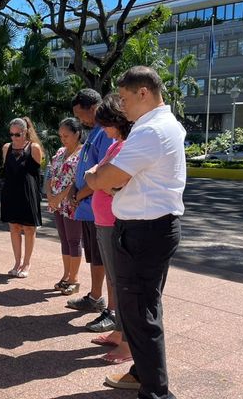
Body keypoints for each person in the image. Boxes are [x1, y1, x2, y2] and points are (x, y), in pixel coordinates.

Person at [85, 66, 185, 399]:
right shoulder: (160, 126)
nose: (122, 107)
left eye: (125, 98)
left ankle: (156, 392)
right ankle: (142, 374)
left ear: (143, 92)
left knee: (140, 313)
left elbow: (104, 179)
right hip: (153, 229)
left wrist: (96, 176)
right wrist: (105, 176)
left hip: (144, 232)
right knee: (141, 308)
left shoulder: (150, 131)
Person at [66, 89, 115, 333]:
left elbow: (104, 171)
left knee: (107, 260)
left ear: (93, 107)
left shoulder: (106, 132)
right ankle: (95, 297)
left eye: (80, 114)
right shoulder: (94, 132)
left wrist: (80, 193)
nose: (80, 119)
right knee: (95, 257)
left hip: (100, 209)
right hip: (88, 209)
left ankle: (112, 310)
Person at [90, 94, 133, 364]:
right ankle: (119, 331)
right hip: (103, 219)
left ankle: (128, 341)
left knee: (122, 282)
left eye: (106, 124)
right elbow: (97, 173)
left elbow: (108, 181)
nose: (103, 130)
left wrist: (97, 178)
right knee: (114, 280)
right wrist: (96, 176)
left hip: (113, 220)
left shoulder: (125, 146)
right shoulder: (114, 144)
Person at [0, 117, 43, 278]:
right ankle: (17, 262)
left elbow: (36, 175)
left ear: (25, 132)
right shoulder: (6, 148)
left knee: (29, 229)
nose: (14, 138)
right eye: (11, 134)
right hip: (11, 192)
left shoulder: (34, 148)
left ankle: (27, 263)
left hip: (28, 193)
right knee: (14, 228)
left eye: (17, 134)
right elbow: (7, 171)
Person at [45, 118, 84, 295]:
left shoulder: (83, 153)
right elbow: (50, 173)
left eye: (66, 135)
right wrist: (50, 196)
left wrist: (60, 196)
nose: (63, 139)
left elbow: (78, 179)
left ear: (77, 134)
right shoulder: (60, 152)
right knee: (64, 240)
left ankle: (74, 279)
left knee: (74, 240)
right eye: (61, 136)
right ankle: (66, 275)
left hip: (71, 202)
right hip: (57, 203)